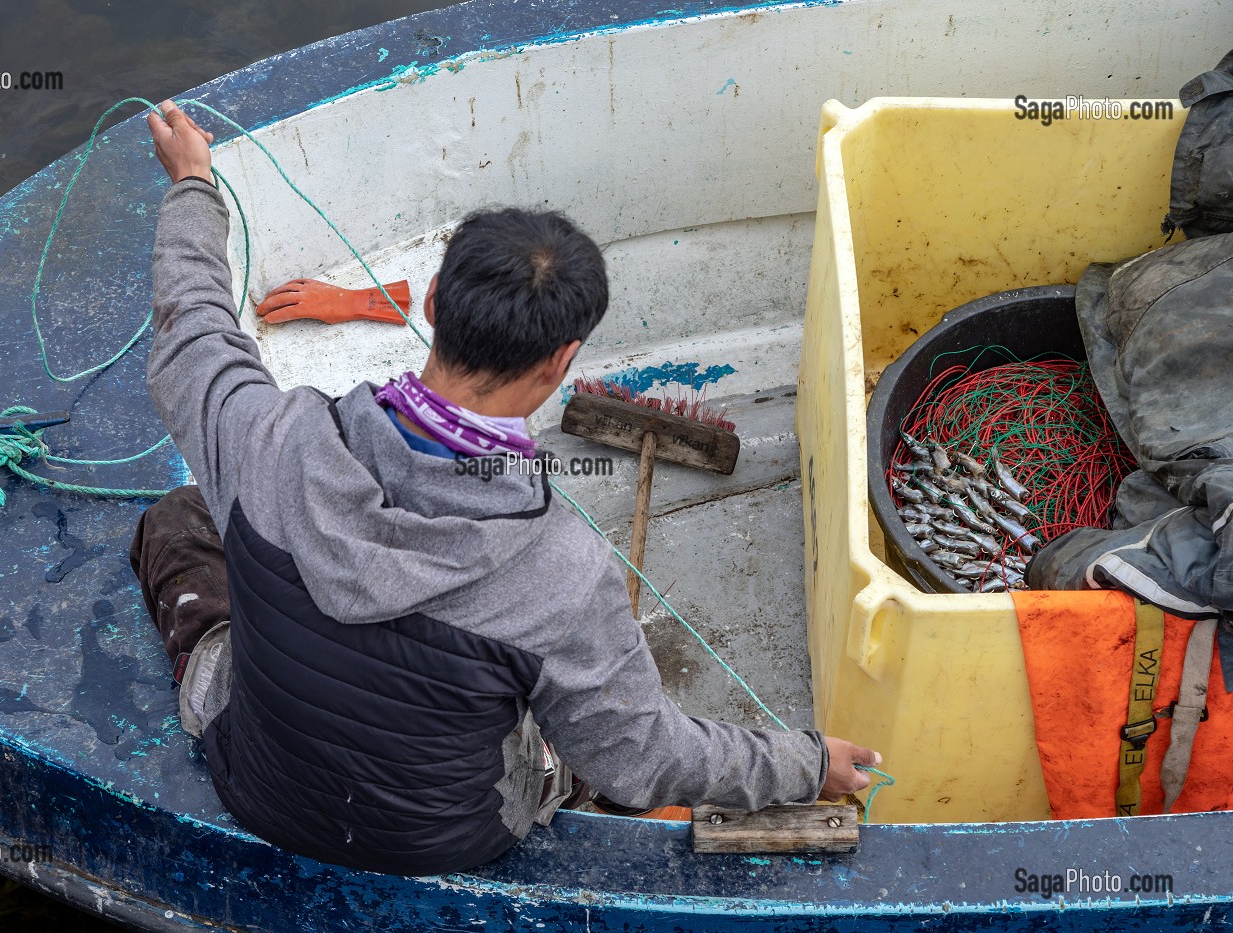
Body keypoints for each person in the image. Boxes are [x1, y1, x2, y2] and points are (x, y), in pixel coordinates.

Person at [133, 100, 879, 877]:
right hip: (445, 842)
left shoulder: (272, 441)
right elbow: (644, 760)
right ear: (562, 362)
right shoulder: (563, 571)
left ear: (429, 305)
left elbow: (192, 327)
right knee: (581, 751)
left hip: (255, 787)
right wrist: (805, 760)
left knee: (179, 520)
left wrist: (193, 180)